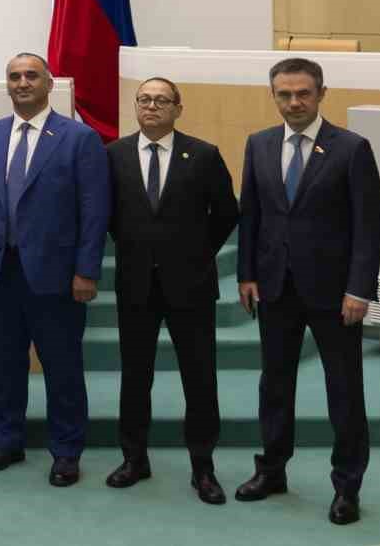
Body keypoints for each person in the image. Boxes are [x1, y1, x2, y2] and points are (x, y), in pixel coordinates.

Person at [235, 57, 380, 526]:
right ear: (273, 95)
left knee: (344, 390)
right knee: (274, 384)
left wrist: (360, 288)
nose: (294, 102)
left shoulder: (352, 148)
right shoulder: (258, 145)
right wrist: (246, 274)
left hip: (336, 293)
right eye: (284, 94)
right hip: (275, 286)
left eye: (303, 93)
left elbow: (369, 226)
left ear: (322, 94)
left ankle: (347, 487)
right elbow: (251, 215)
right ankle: (273, 470)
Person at [0, 53, 109, 487]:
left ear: (49, 84)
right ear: (6, 85)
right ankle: (7, 440)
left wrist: (87, 270)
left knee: (62, 367)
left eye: (31, 76)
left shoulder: (79, 138)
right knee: (4, 364)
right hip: (0, 271)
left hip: (58, 275)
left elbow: (94, 210)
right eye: (14, 77)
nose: (22, 83)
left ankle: (66, 452)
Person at [104, 77, 237, 504]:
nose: (152, 106)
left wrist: (197, 251)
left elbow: (227, 213)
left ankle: (203, 467)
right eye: (144, 99)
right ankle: (134, 458)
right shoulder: (112, 155)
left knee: (199, 378)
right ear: (135, 107)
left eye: (162, 100)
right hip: (135, 283)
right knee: (135, 376)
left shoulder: (203, 154)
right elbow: (106, 215)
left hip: (192, 285)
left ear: (178, 108)